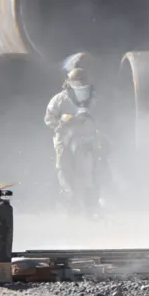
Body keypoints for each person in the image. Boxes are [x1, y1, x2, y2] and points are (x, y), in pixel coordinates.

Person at [44, 67, 101, 212]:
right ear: (69, 82)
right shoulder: (60, 99)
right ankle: (69, 200)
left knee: (89, 170)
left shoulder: (94, 98)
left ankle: (90, 203)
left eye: (82, 80)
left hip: (87, 138)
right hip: (65, 139)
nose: (80, 84)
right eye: (77, 81)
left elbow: (105, 116)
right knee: (64, 169)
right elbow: (48, 119)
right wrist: (63, 123)